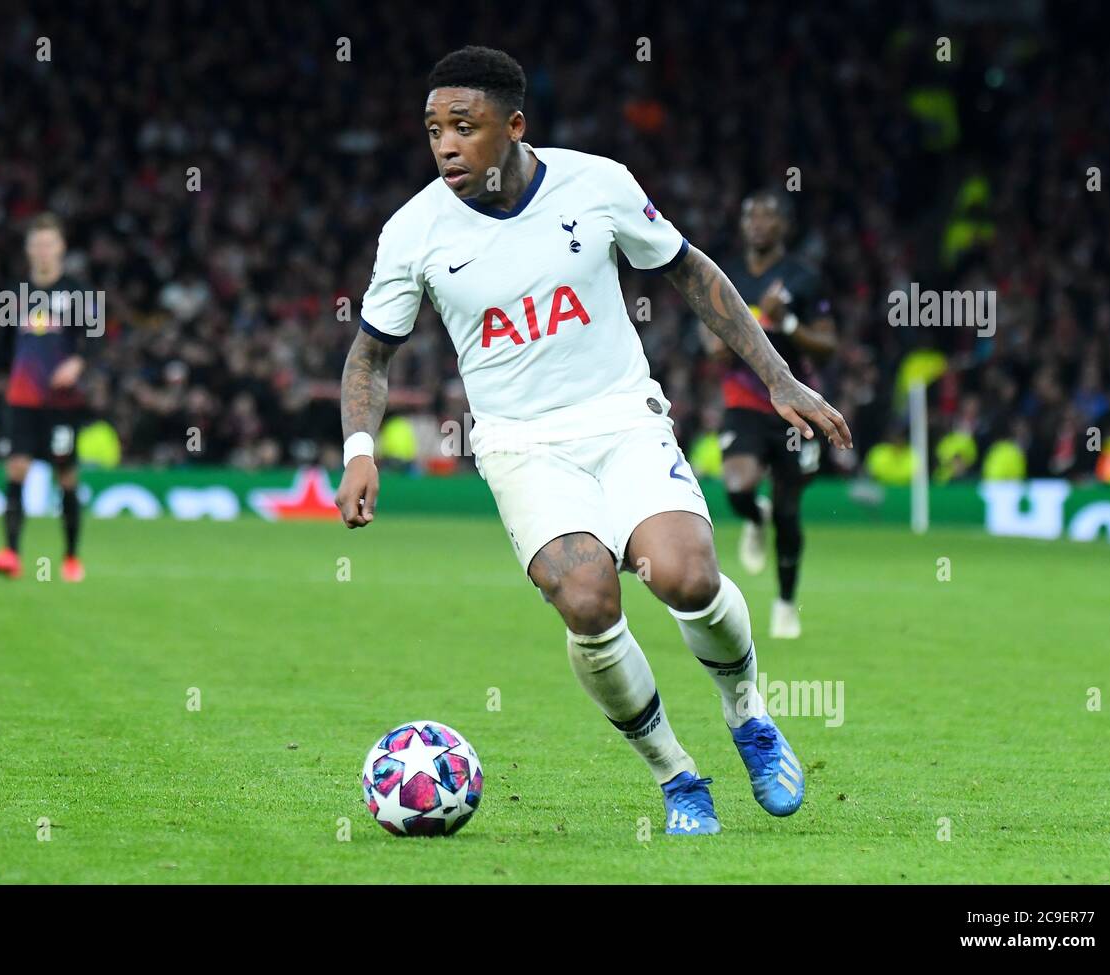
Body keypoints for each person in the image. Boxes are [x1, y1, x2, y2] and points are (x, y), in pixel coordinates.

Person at [336, 47, 852, 835]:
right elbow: (370, 352)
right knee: (587, 599)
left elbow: (690, 272)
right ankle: (678, 776)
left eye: (464, 128)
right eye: (434, 128)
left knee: (683, 576)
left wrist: (779, 377)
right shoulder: (413, 232)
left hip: (621, 418)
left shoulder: (598, 184)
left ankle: (749, 716)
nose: (444, 145)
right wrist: (360, 451)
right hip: (521, 446)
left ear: (513, 126)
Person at [714, 191, 838, 638]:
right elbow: (711, 345)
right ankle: (752, 516)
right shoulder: (725, 276)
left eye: (768, 216)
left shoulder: (803, 279)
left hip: (797, 403)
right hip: (746, 400)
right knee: (737, 486)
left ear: (784, 226)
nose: (758, 223)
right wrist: (736, 329)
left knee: (789, 508)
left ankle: (785, 602)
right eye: (751, 215)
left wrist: (784, 323)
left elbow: (828, 344)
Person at [0, 213, 93, 582]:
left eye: (49, 244)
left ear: (61, 248)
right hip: (22, 396)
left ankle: (71, 557)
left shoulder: (78, 292)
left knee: (66, 475)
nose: (43, 251)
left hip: (61, 401)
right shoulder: (15, 293)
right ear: (29, 249)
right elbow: (1, 346)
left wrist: (78, 362)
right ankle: (11, 553)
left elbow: (97, 341)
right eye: (37, 244)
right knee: (17, 466)